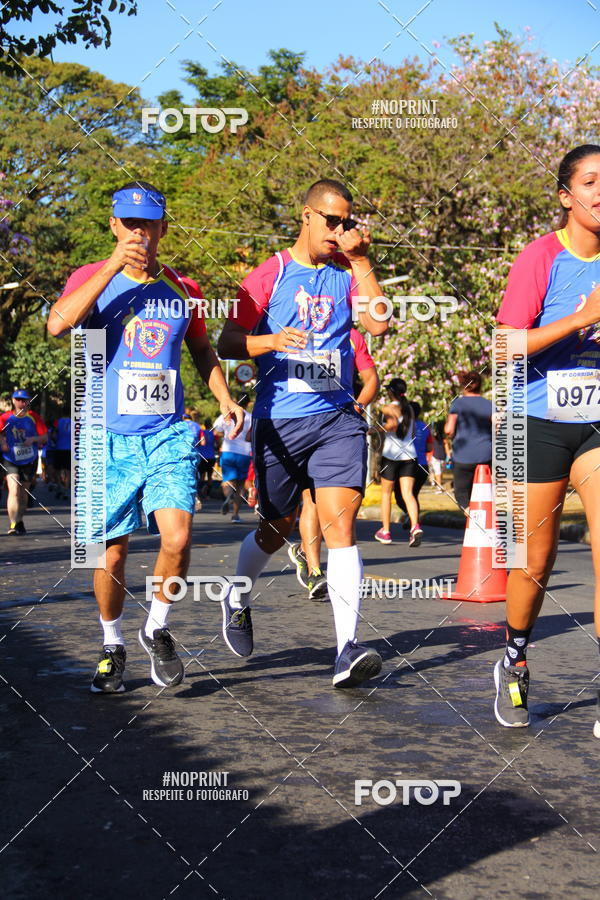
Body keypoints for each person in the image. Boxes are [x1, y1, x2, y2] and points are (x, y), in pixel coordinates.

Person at [47, 180, 243, 693]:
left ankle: (156, 628)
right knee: (111, 554)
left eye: (148, 225)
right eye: (129, 224)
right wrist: (112, 267)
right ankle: (111, 644)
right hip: (105, 436)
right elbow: (57, 325)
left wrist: (224, 397)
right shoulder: (90, 277)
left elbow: (201, 350)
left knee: (177, 538)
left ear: (163, 228)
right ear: (114, 225)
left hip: (167, 433)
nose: (139, 233)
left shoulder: (184, 288)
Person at [217, 177, 388, 687]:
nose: (339, 230)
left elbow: (379, 324)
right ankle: (237, 593)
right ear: (307, 216)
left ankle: (346, 649)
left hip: (337, 419)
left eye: (347, 222)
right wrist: (270, 341)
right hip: (280, 420)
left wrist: (362, 260)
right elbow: (227, 342)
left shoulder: (348, 273)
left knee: (341, 529)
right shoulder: (269, 273)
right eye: (331, 221)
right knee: (277, 528)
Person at [493, 143, 600, 733]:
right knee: (534, 563)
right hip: (535, 423)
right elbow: (505, 345)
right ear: (566, 195)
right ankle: (514, 656)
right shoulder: (541, 257)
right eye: (591, 182)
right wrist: (581, 318)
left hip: (597, 425)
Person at [288, 326, 380, 600]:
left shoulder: (351, 335)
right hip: (299, 426)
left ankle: (312, 557)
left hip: (338, 429)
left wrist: (357, 406)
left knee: (339, 507)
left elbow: (371, 379)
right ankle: (314, 570)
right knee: (310, 499)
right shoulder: (293, 328)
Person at [375, 378, 423, 547]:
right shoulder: (410, 408)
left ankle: (386, 531)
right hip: (410, 455)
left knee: (386, 494)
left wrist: (373, 430)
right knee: (408, 494)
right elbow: (413, 431)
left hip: (391, 455)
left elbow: (392, 424)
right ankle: (415, 526)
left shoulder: (387, 408)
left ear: (391, 392)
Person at [0, 389, 48, 535]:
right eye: (18, 400)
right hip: (10, 459)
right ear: (13, 400)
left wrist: (33, 439)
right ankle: (13, 523)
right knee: (13, 490)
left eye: (24, 400)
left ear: (28, 401)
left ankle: (19, 520)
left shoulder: (34, 417)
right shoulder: (5, 417)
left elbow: (44, 437)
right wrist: (3, 442)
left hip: (29, 459)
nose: (21, 402)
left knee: (23, 493)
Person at [444, 371, 492, 514]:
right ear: (480, 386)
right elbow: (498, 428)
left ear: (463, 385)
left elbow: (449, 430)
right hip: (486, 455)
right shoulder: (489, 404)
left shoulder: (458, 404)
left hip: (463, 456)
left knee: (462, 494)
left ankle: (471, 514)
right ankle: (484, 516)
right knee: (484, 491)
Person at [213, 395, 252, 524]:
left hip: (228, 451)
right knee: (240, 485)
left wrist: (226, 434)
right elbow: (250, 437)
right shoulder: (250, 417)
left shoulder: (227, 414)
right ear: (248, 403)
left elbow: (216, 432)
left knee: (227, 480)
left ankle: (228, 496)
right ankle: (235, 515)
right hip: (244, 452)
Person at [393, 401, 432, 525]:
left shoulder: (403, 426)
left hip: (406, 466)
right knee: (413, 495)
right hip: (422, 466)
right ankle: (413, 521)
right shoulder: (425, 426)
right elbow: (429, 447)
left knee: (400, 496)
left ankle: (410, 517)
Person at [53, 409, 72, 500]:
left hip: (59, 447)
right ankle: (66, 489)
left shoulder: (58, 422)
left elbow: (54, 434)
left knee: (58, 469)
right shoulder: (74, 422)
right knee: (68, 470)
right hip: (70, 448)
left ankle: (60, 486)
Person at [198, 418, 216, 497]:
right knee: (209, 476)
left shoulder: (201, 432)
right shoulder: (213, 433)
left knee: (202, 475)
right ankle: (208, 494)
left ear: (204, 425)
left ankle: (201, 493)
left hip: (202, 456)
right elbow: (217, 444)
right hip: (211, 456)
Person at [429, 420, 448, 492]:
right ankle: (439, 487)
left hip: (439, 456)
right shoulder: (438, 435)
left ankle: (439, 486)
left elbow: (446, 444)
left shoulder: (439, 436)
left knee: (439, 472)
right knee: (438, 472)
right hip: (439, 456)